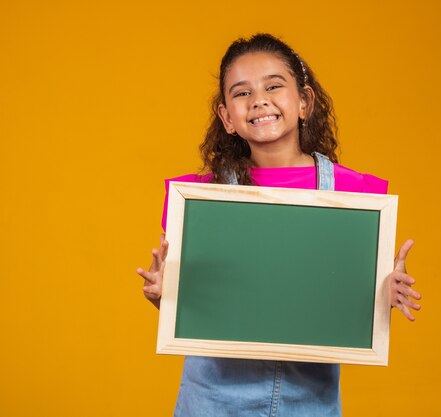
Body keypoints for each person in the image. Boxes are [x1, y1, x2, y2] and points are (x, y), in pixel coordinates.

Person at [136, 33, 421, 417]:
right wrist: (164, 297)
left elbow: (342, 301)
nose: (259, 100)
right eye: (241, 93)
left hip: (310, 402)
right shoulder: (200, 199)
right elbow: (199, 307)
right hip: (212, 401)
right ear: (227, 118)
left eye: (274, 86)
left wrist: (381, 291)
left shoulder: (356, 193)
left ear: (304, 102)